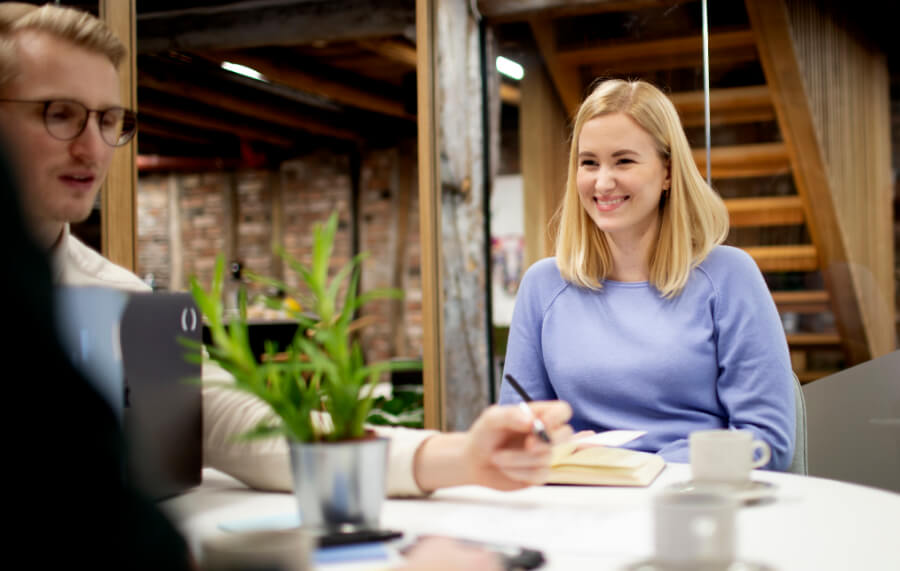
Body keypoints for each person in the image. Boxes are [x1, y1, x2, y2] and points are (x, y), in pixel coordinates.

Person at [0, 0, 573, 500]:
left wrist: (462, 457)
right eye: (61, 114)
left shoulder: (117, 298)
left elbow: (247, 428)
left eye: (108, 120)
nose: (92, 147)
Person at [499, 78, 795, 471]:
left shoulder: (729, 277)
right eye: (589, 163)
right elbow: (518, 436)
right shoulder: (543, 286)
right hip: (580, 506)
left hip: (696, 502)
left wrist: (639, 467)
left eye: (623, 161)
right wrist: (542, 444)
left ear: (668, 172)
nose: (603, 182)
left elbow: (767, 442)